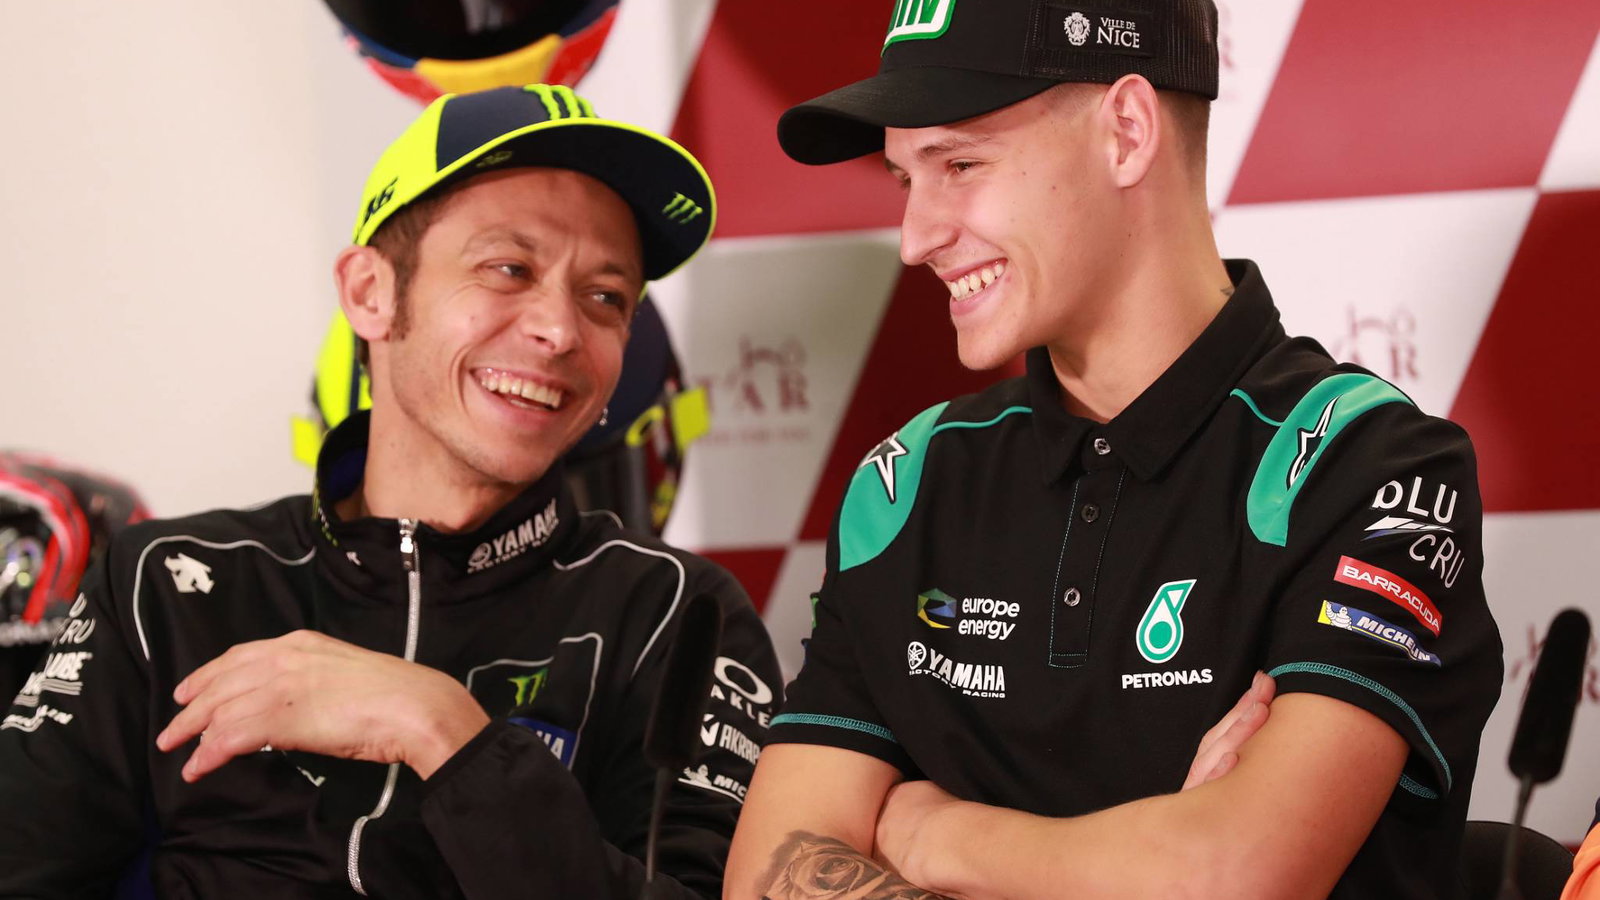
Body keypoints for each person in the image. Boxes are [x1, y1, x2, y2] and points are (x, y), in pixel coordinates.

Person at [725, 2, 1503, 898]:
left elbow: (1232, 876)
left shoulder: (1369, 467)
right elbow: (767, 881)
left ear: (1127, 132)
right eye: (907, 179)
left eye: (960, 165)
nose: (915, 237)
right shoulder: (909, 485)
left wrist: (929, 833)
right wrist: (1151, 855)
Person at [0, 83, 780, 900]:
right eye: (508, 269)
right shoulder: (165, 582)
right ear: (371, 293)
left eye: (606, 298)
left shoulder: (677, 615)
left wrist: (441, 729)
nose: (559, 330)